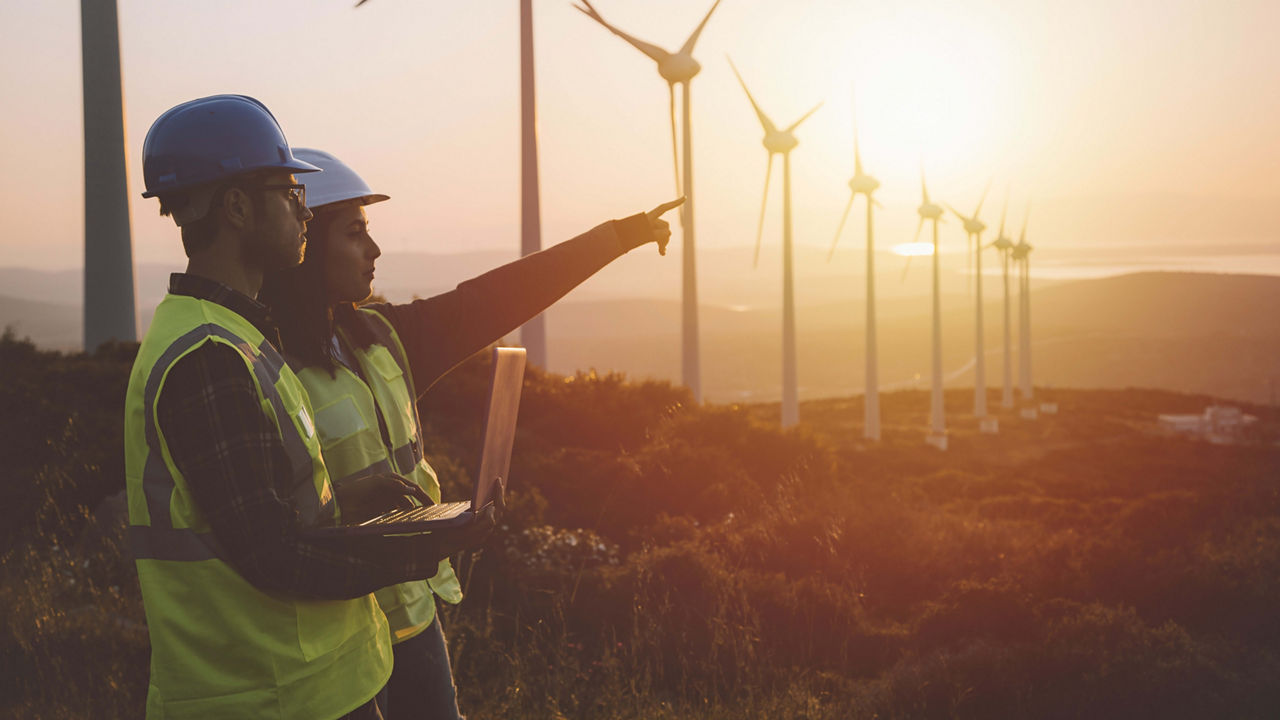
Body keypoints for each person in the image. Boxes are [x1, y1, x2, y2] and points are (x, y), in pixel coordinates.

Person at [258, 147, 682, 720]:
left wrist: (617, 237)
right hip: (334, 634)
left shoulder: (383, 338)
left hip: (413, 616)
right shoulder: (262, 366)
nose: (375, 249)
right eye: (355, 233)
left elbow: (496, 297)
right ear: (307, 246)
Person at [123, 95, 495, 720]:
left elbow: (257, 513)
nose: (303, 208)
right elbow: (272, 555)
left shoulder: (241, 337)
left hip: (318, 684)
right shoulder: (207, 358)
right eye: (290, 189)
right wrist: (423, 545)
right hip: (268, 696)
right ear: (237, 207)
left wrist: (352, 501)